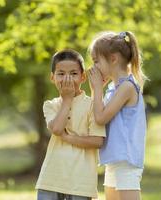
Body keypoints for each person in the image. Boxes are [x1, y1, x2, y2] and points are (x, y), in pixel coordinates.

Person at [35, 49, 106, 200]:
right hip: (51, 180)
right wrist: (67, 100)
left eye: (73, 74)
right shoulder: (51, 105)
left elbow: (97, 141)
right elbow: (57, 129)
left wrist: (67, 138)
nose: (67, 78)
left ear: (83, 77)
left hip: (81, 183)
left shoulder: (93, 106)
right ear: (52, 77)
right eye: (61, 74)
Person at [87, 31, 147, 200]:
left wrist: (97, 89)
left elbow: (101, 118)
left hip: (126, 160)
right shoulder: (113, 89)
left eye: (96, 61)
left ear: (113, 59)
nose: (94, 67)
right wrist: (95, 90)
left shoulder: (127, 87)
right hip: (114, 159)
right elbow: (96, 116)